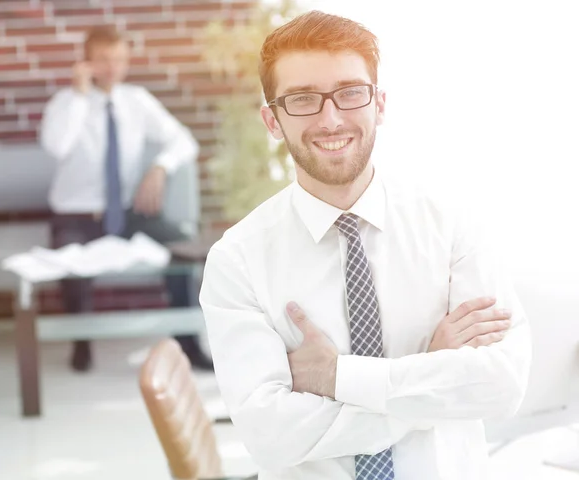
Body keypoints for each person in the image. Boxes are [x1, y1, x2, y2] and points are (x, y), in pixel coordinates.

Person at [199, 10, 532, 480]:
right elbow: (270, 437)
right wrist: (431, 374)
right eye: (302, 99)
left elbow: (501, 386)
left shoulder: (451, 224)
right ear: (272, 121)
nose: (330, 119)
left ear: (379, 103)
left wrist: (339, 378)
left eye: (350, 93)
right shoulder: (237, 260)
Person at [40, 25, 213, 372]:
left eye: (119, 59)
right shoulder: (65, 103)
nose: (113, 68)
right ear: (85, 62)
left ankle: (189, 343)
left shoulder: (136, 100)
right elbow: (56, 146)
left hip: (128, 213)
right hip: (77, 216)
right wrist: (78, 94)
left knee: (181, 246)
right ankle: (81, 344)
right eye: (103, 60)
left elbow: (184, 140)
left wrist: (159, 168)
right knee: (71, 264)